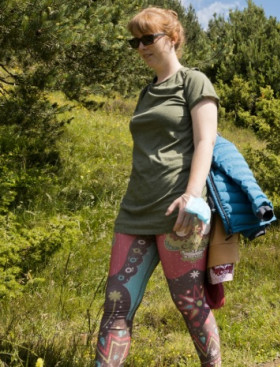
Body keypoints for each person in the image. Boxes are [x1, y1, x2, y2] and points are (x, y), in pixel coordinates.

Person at [95, 7, 221, 366]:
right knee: (116, 306)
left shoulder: (194, 82)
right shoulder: (146, 92)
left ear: (173, 38)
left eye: (148, 38)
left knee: (189, 304)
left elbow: (205, 142)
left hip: (179, 213)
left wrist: (192, 197)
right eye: (136, 41)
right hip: (135, 211)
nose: (141, 47)